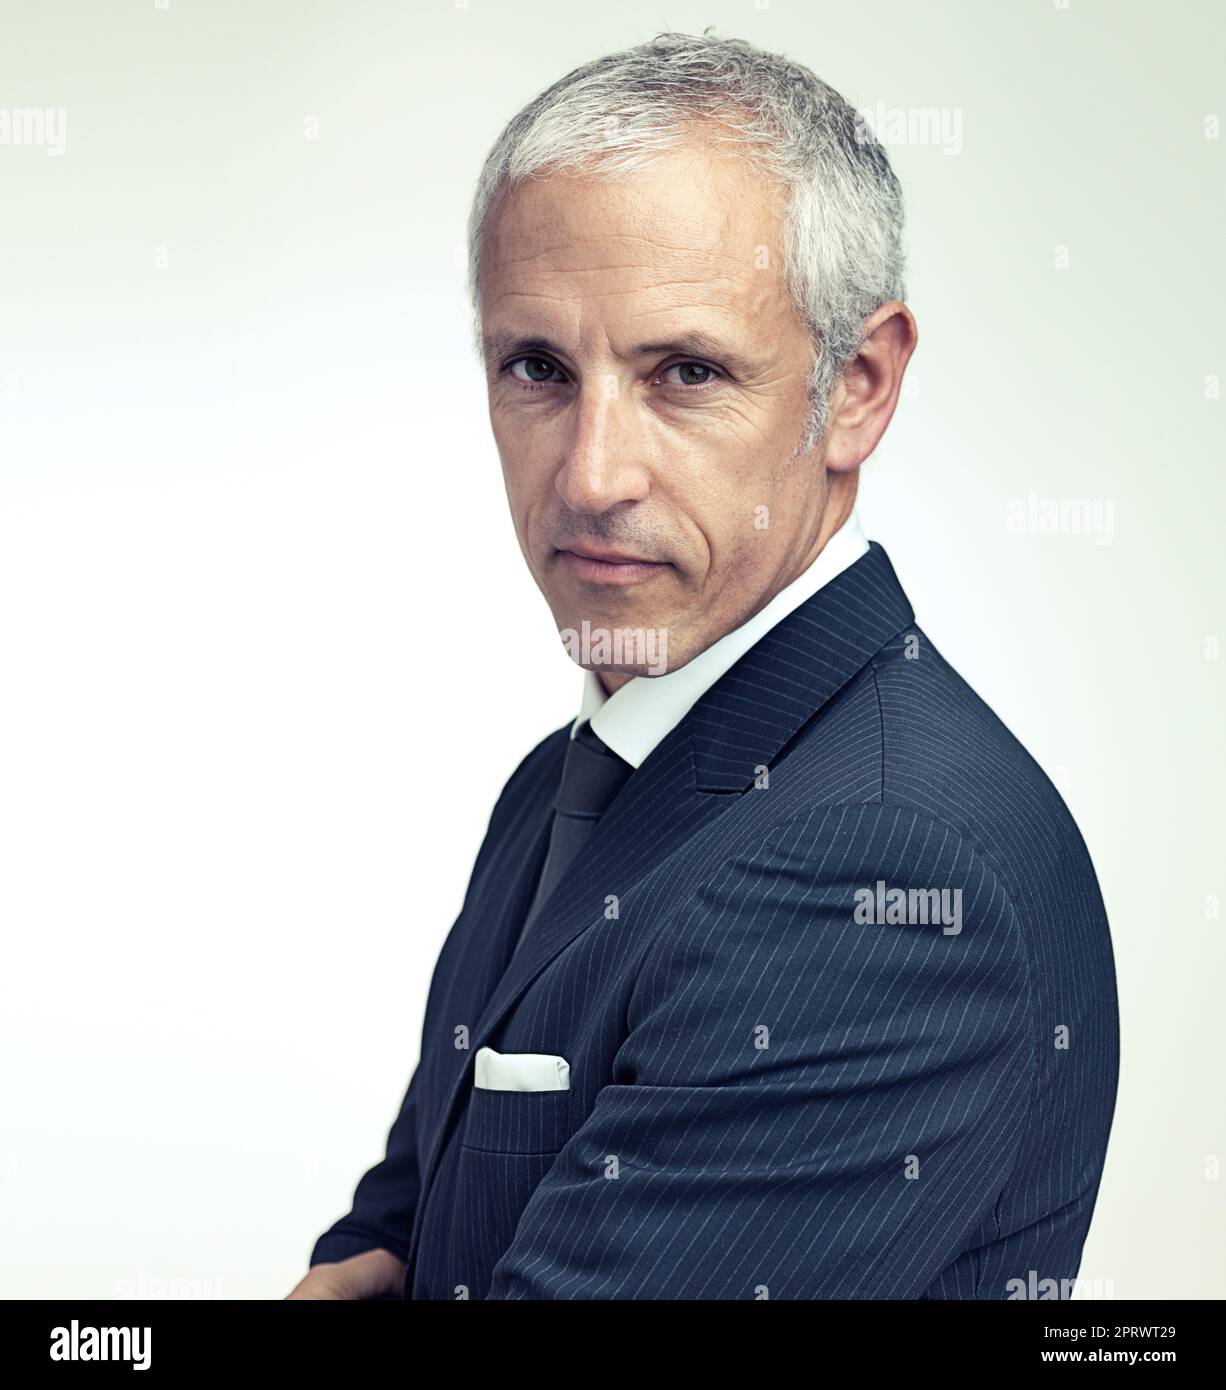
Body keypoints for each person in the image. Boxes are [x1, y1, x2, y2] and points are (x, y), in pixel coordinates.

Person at [287, 30, 1118, 1301]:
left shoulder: (879, 873)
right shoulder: (568, 779)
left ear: (856, 386)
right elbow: (400, 1230)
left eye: (683, 373)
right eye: (537, 370)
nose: (589, 475)